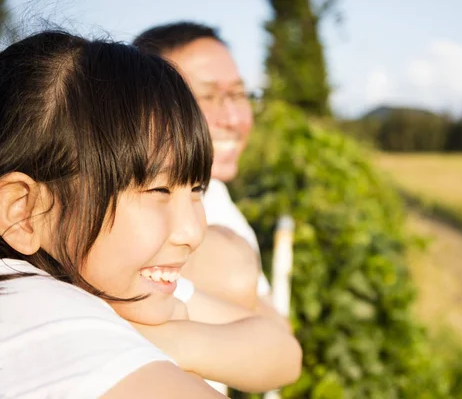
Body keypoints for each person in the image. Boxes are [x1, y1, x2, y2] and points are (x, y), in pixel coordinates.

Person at [0, 30, 300, 398]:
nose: (193, 231)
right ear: (24, 211)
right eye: (157, 190)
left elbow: (285, 352)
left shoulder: (114, 288)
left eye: (196, 191)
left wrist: (165, 339)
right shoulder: (47, 317)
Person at [134, 21, 289, 328]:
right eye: (207, 97)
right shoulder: (126, 225)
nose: (233, 118)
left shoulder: (216, 195)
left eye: (239, 94)